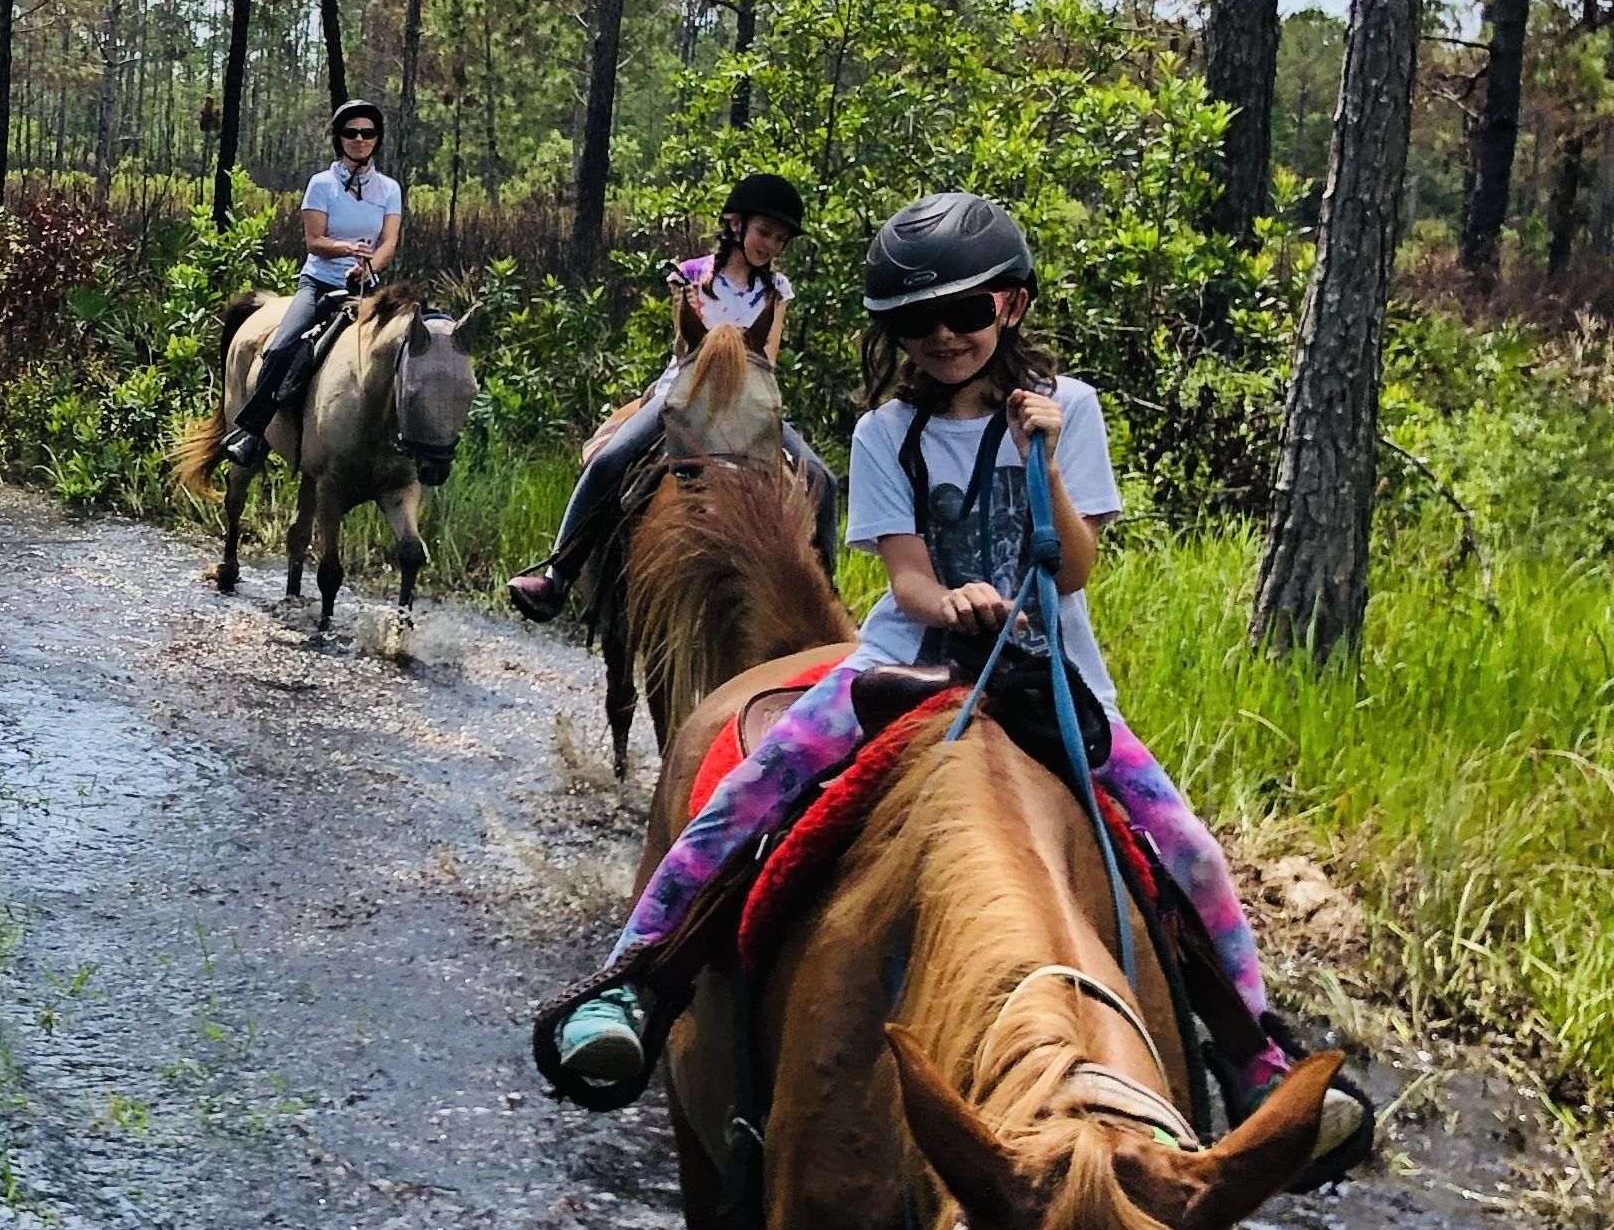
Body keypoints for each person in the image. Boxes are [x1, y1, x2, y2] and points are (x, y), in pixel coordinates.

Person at [541, 191, 1370, 1172]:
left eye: (965, 313)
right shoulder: (884, 431)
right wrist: (953, 604)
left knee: (1185, 846)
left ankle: (1251, 1053)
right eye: (915, 322)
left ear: (1010, 308)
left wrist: (1045, 455)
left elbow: (1070, 569)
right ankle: (636, 978)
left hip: (1049, 678)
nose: (941, 336)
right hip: (905, 661)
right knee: (745, 797)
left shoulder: (1077, 410)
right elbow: (906, 581)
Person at [506, 174, 837, 621]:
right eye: (765, 233)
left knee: (822, 478)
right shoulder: (691, 275)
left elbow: (768, 357)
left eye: (780, 239)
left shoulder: (776, 292)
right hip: (685, 392)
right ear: (736, 225)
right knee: (609, 461)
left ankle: (825, 599)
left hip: (748, 402)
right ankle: (558, 574)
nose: (771, 246)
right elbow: (685, 348)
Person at [219, 101, 405, 471]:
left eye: (367, 133)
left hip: (365, 289)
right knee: (283, 346)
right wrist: (348, 249)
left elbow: (389, 241)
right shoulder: (322, 184)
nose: (359, 139)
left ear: (376, 139)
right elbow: (314, 241)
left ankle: (399, 443)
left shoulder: (388, 188)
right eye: (351, 133)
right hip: (319, 282)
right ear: (339, 139)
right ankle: (252, 432)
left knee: (402, 352)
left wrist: (370, 267)